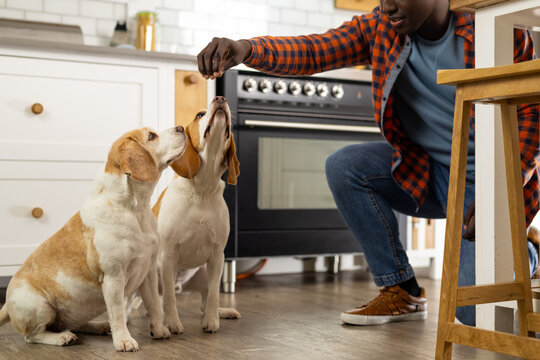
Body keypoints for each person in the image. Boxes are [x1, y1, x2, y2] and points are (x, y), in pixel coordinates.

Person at [197, 0, 539, 327]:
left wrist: (501, 189)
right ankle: (400, 290)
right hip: (427, 173)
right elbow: (315, 50)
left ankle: (530, 251)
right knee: (345, 166)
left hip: (488, 183)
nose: (387, 6)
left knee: (475, 312)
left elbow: (532, 114)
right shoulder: (381, 27)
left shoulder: (491, 30)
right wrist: (246, 49)